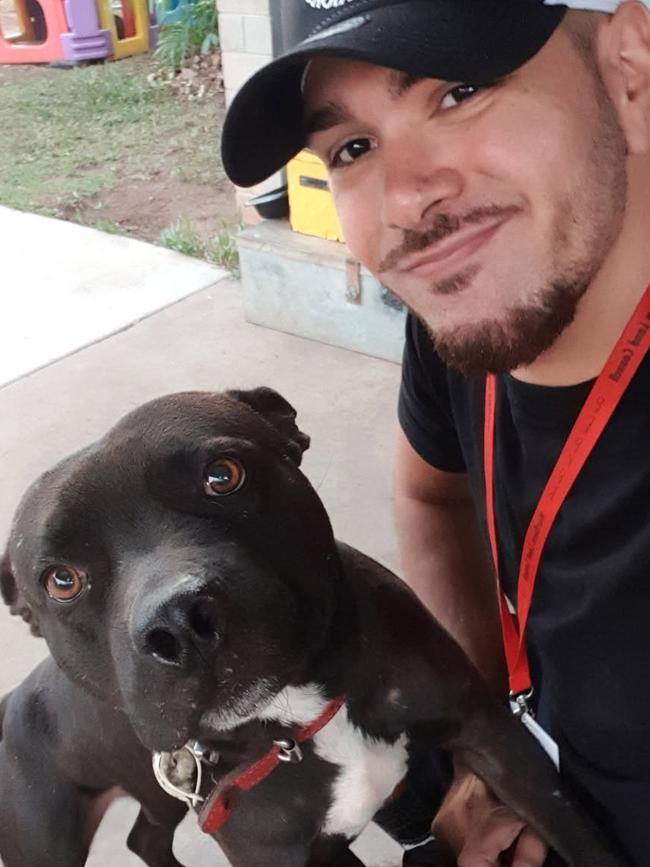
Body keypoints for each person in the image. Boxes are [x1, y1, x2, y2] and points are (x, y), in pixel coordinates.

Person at [220, 1, 650, 864]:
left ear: (630, 72)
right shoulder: (466, 311)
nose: (410, 200)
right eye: (351, 148)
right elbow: (429, 489)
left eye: (460, 92)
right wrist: (489, 748)